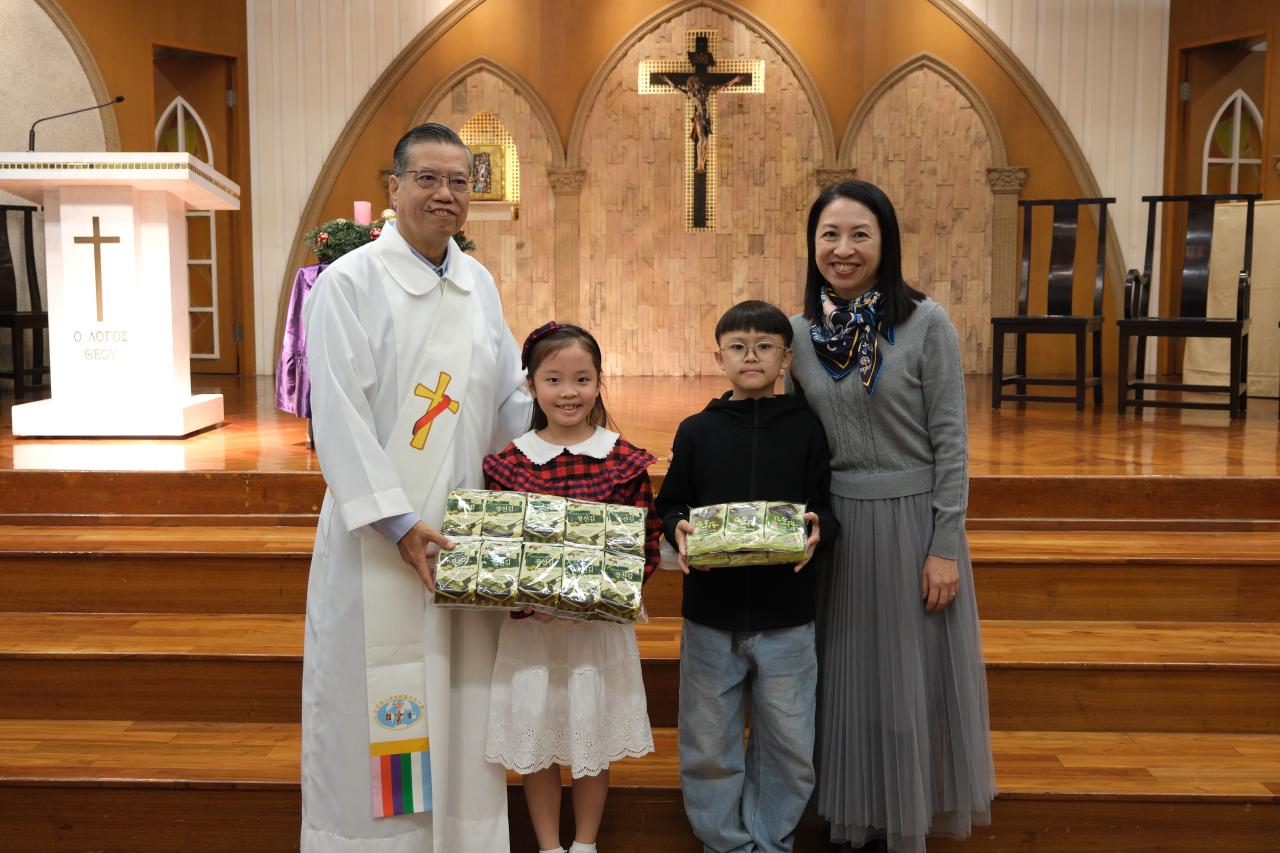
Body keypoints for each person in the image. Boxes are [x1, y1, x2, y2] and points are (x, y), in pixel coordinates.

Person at [301, 123, 530, 851]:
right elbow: (336, 414)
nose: (444, 194)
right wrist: (397, 523)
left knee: (461, 695)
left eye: (459, 181)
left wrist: (564, 427)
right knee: (377, 698)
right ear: (394, 187)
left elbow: (507, 399)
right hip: (380, 535)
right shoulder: (349, 284)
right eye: (427, 178)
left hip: (460, 531)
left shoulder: (477, 283)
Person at [787, 180, 995, 853]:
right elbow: (789, 439)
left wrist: (944, 545)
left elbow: (951, 445)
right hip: (839, 532)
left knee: (906, 687)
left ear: (886, 242)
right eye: (829, 234)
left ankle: (901, 822)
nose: (843, 249)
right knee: (848, 684)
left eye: (860, 234)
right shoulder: (798, 335)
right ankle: (852, 824)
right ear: (812, 243)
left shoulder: (926, 323)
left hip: (912, 528)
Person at [654, 299, 839, 853]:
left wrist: (820, 527)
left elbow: (824, 505)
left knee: (789, 744)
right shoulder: (697, 431)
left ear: (786, 358)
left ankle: (771, 839)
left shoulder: (808, 429)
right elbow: (671, 504)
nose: (751, 356)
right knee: (708, 743)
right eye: (738, 347)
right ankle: (725, 843)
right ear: (720, 358)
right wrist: (676, 526)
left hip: (788, 618)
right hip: (710, 617)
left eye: (764, 347)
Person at [482, 322, 659, 853]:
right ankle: (548, 846)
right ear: (531, 385)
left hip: (596, 633)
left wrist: (593, 596)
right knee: (536, 739)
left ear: (599, 382)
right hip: (532, 633)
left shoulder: (623, 459)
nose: (569, 392)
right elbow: (498, 551)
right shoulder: (509, 463)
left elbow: (643, 545)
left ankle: (584, 844)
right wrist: (525, 597)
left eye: (582, 379)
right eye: (553, 379)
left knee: (591, 738)